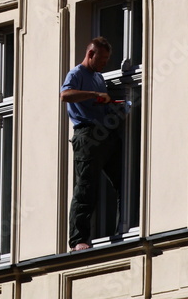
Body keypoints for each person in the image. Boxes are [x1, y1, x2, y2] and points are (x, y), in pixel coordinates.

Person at [60, 36, 126, 251]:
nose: (105, 63)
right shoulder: (77, 73)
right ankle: (78, 240)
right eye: (102, 58)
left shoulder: (98, 77)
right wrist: (94, 94)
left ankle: (123, 228)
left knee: (124, 181)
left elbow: (100, 103)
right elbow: (65, 95)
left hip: (104, 132)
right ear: (90, 54)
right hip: (87, 134)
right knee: (86, 187)